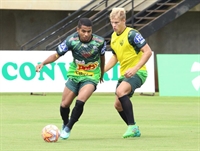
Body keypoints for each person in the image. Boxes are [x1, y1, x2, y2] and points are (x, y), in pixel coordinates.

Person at [36, 18, 106, 139]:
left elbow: (102, 57)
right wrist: (43, 63)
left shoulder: (99, 41)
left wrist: (102, 72)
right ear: (77, 29)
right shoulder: (71, 40)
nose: (86, 34)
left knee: (80, 100)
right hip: (75, 74)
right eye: (83, 31)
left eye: (89, 31)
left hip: (91, 75)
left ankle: (68, 128)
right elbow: (56, 55)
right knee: (64, 105)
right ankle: (65, 123)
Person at [105, 8, 152, 138]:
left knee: (120, 92)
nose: (114, 25)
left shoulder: (132, 34)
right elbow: (115, 57)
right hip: (124, 74)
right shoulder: (113, 37)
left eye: (116, 22)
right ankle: (134, 128)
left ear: (124, 20)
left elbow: (148, 51)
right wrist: (103, 70)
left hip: (139, 72)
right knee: (117, 105)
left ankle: (131, 126)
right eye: (112, 22)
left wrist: (135, 68)